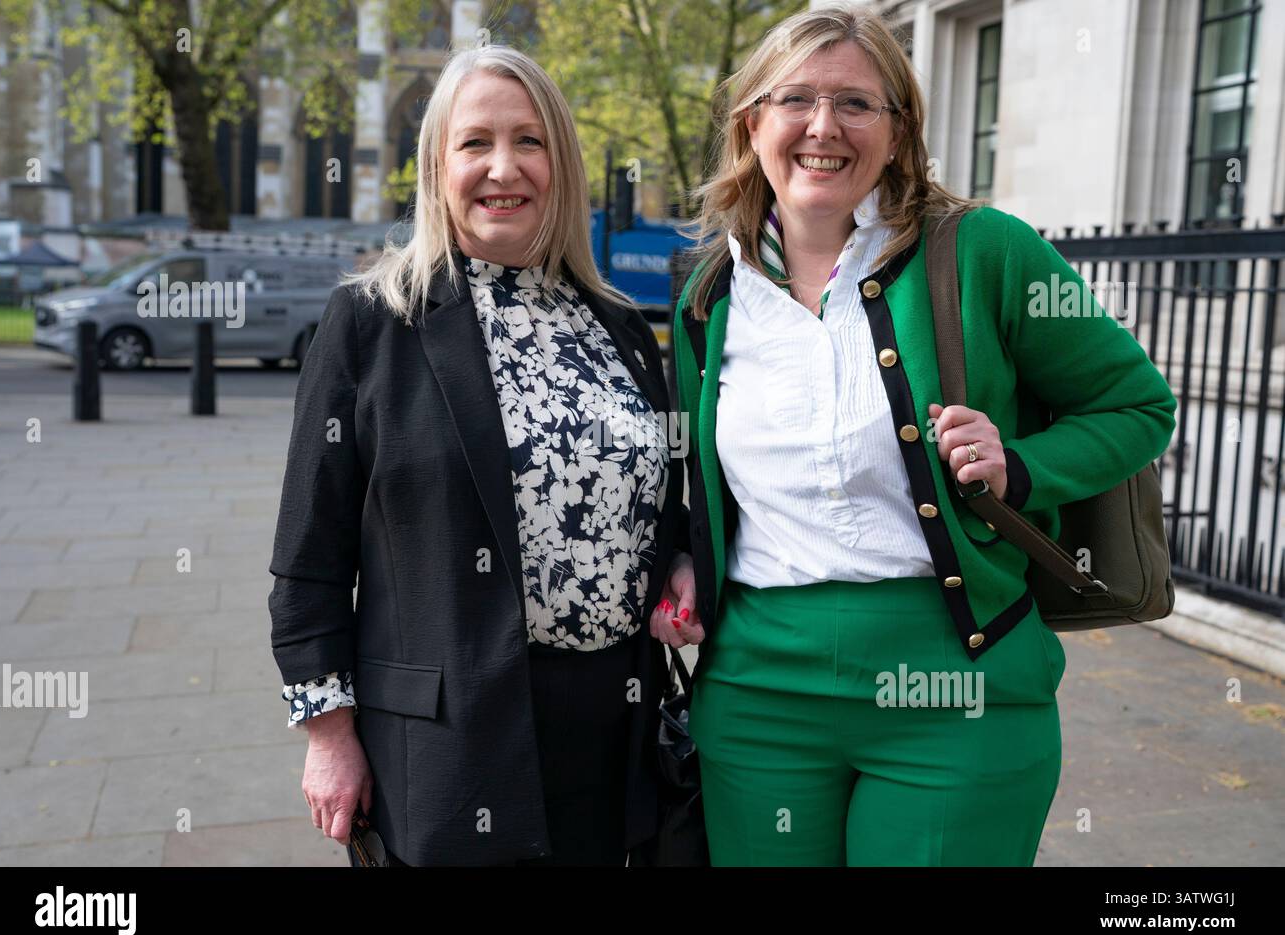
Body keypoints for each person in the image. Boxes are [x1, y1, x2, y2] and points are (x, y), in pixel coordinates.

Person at [654, 3, 1177, 866]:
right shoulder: (709, 293)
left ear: (899, 135)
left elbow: (1135, 407)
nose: (824, 127)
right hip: (754, 700)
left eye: (858, 104)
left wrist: (1020, 465)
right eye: (796, 100)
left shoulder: (984, 252)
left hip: (958, 695)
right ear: (753, 124)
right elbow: (704, 487)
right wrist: (686, 559)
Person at [268, 44, 685, 866]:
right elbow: (308, 559)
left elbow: (659, 502)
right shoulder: (371, 320)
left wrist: (678, 563)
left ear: (560, 164)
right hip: (448, 743)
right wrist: (328, 734)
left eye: (529, 142)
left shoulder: (621, 326)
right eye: (476, 144)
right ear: (436, 166)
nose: (505, 168)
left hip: (611, 736)